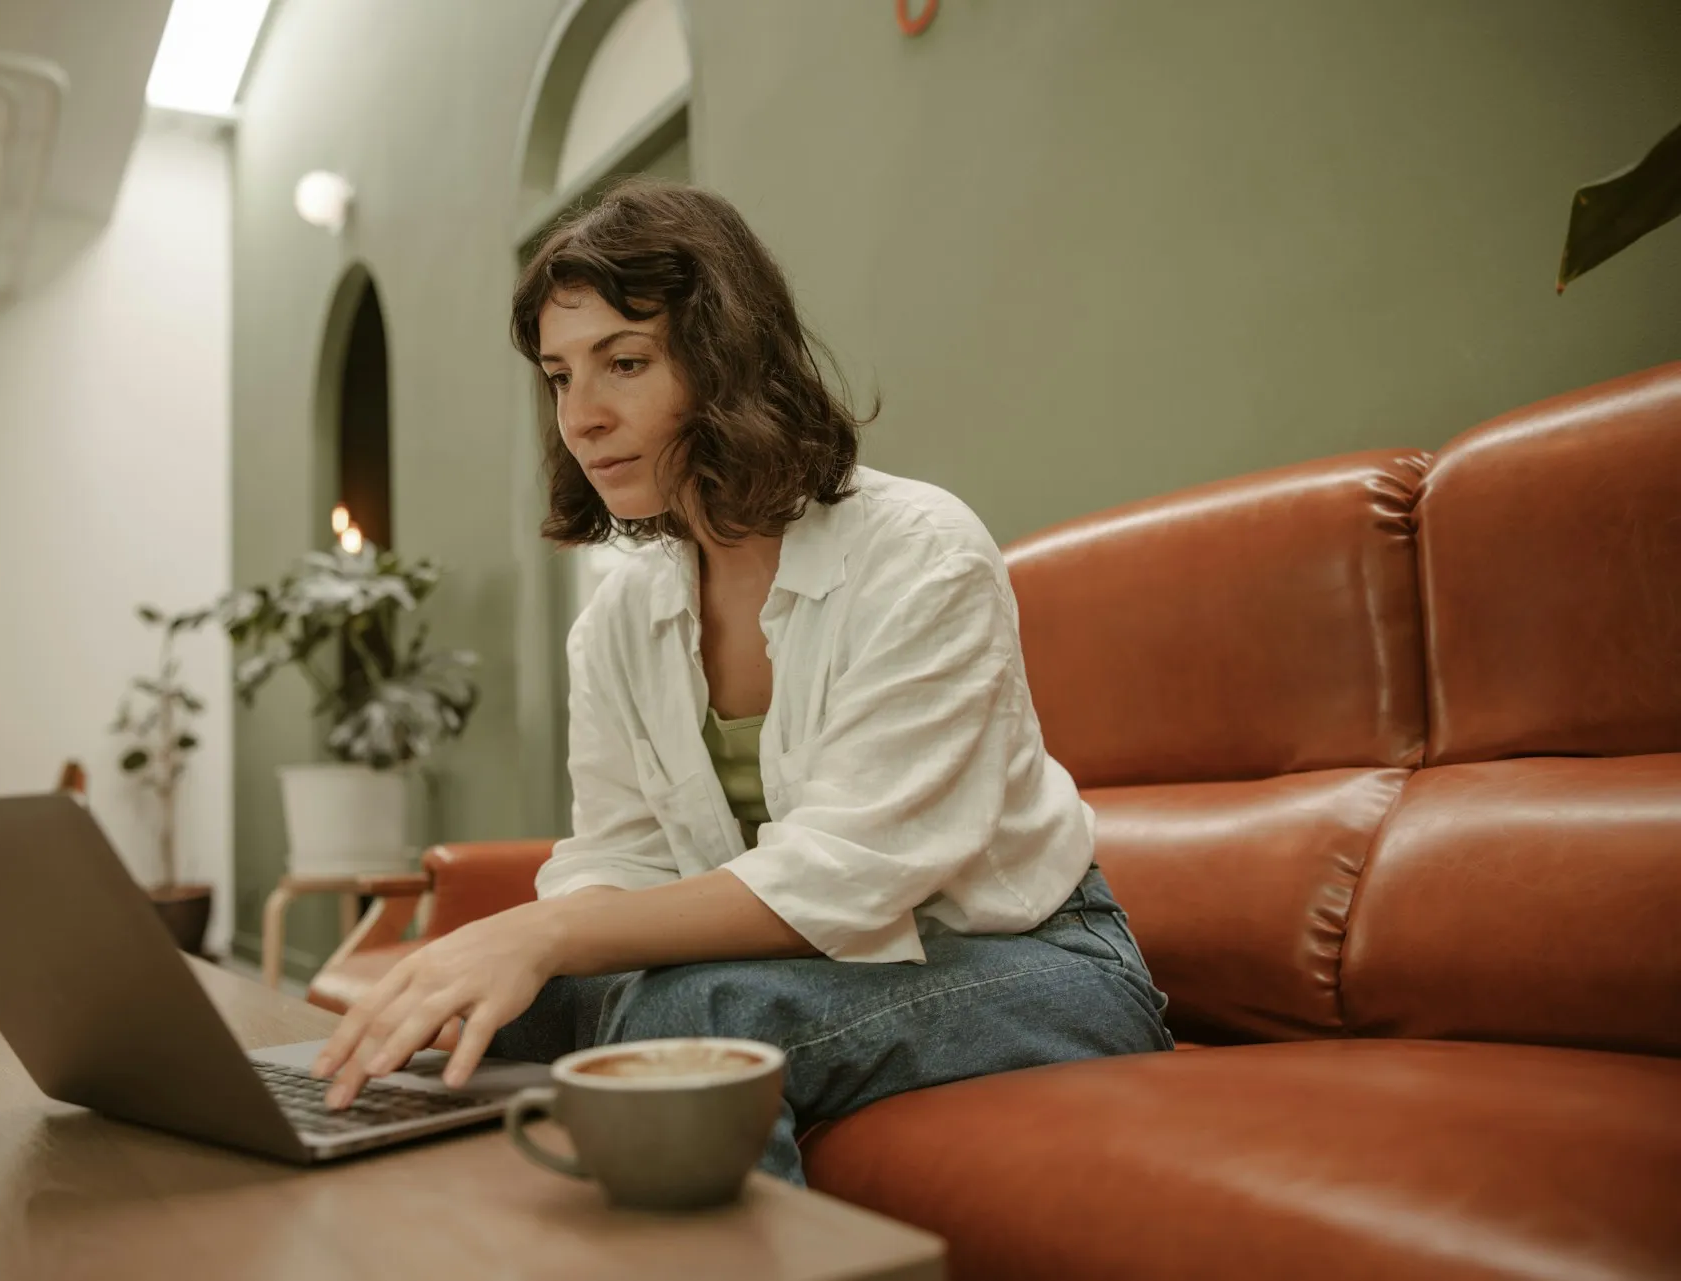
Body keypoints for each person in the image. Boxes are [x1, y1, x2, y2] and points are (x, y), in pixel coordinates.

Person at [312, 179, 1172, 1185]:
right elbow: (622, 853)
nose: (581, 418)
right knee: (508, 1012)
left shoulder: (925, 555)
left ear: (725, 362)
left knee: (697, 1021)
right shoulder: (621, 621)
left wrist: (548, 928)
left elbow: (847, 875)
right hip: (824, 969)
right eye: (558, 377)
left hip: (1041, 963)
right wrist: (522, 955)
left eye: (623, 364)